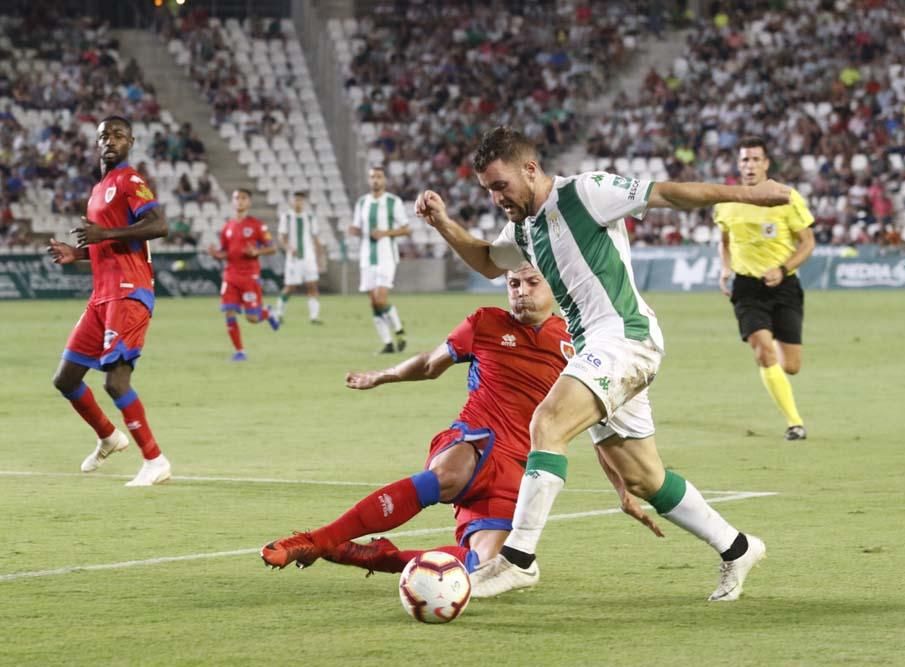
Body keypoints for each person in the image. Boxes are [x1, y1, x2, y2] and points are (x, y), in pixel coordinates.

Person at [415, 126, 790, 601]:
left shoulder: (586, 192)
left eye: (501, 185)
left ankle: (518, 559)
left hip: (625, 338)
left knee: (547, 422)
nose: (496, 198)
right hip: (595, 349)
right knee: (644, 477)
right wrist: (444, 224)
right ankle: (738, 548)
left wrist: (752, 195)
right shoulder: (523, 228)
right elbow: (490, 262)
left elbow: (668, 194)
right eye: (488, 190)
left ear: (530, 169)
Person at [260, 265, 663, 573]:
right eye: (513, 285)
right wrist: (383, 376)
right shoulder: (485, 323)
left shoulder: (577, 346)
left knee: (488, 564)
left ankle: (376, 556)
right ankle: (316, 539)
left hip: (523, 467)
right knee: (449, 474)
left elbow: (597, 424)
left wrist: (622, 490)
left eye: (531, 283)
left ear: (553, 287)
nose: (521, 292)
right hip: (477, 438)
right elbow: (430, 363)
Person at [47, 115, 172, 487]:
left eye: (118, 135)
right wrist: (78, 253)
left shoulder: (130, 181)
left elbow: (158, 225)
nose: (110, 140)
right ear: (96, 142)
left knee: (116, 382)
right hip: (101, 296)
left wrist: (105, 232)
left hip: (129, 291)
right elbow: (109, 244)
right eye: (104, 135)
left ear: (131, 141)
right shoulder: (99, 188)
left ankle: (155, 460)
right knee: (66, 379)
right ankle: (108, 436)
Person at [714, 136, 816, 440]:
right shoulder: (726, 201)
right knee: (763, 350)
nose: (750, 165)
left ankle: (778, 380)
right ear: (738, 164)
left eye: (756, 159)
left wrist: (783, 269)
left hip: (785, 286)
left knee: (792, 365)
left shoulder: (786, 197)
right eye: (745, 159)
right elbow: (724, 241)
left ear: (766, 164)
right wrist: (725, 269)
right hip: (746, 287)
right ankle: (794, 422)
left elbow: (808, 242)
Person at [208, 189, 280, 361]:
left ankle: (267, 313)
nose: (239, 201)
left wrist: (257, 251)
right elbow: (226, 251)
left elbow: (273, 248)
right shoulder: (227, 227)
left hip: (249, 275)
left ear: (249, 202)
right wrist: (218, 254)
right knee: (228, 311)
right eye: (236, 198)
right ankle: (240, 351)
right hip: (230, 275)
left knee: (252, 318)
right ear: (232, 202)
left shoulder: (257, 225)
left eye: (243, 198)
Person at [350, 165, 411, 353]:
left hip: (386, 257)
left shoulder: (394, 202)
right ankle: (387, 342)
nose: (375, 180)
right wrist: (355, 231)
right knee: (373, 302)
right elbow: (358, 227)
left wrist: (385, 233)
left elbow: (406, 229)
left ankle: (399, 328)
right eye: (372, 177)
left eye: (379, 177)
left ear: (384, 180)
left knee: (381, 298)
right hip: (367, 257)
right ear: (369, 181)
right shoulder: (362, 203)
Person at [273, 191, 324, 324]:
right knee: (290, 287)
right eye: (296, 200)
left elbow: (316, 238)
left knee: (312, 286)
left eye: (300, 200)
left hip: (309, 258)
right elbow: (281, 237)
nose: (298, 203)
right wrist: (288, 248)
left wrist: (319, 259)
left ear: (304, 202)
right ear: (292, 201)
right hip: (293, 259)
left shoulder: (310, 217)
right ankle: (278, 313)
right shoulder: (287, 217)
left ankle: (314, 317)